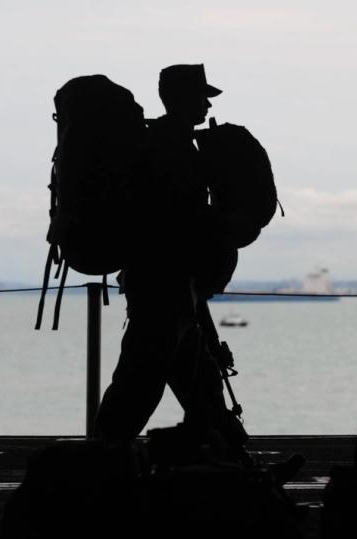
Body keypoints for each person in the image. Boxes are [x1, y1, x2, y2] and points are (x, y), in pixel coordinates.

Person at [94, 65, 247, 457]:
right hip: (164, 286)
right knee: (140, 384)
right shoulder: (168, 147)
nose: (208, 103)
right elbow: (176, 219)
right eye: (202, 95)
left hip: (176, 288)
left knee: (202, 384)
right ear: (180, 98)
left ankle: (237, 461)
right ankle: (100, 464)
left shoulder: (170, 143)